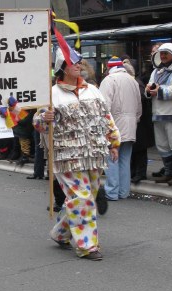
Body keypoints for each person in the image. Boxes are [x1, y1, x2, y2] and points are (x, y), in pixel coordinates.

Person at [34, 47, 120, 261]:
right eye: (73, 61)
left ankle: (60, 232)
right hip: (65, 157)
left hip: (93, 154)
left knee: (85, 197)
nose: (78, 64)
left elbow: (105, 117)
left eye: (79, 61)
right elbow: (36, 123)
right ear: (61, 67)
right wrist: (45, 117)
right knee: (81, 198)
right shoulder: (51, 94)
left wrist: (114, 142)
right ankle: (87, 246)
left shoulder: (92, 90)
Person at [99, 57, 142, 200]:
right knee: (124, 160)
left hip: (114, 125)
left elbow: (103, 107)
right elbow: (138, 107)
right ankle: (124, 192)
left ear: (108, 68)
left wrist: (104, 127)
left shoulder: (109, 80)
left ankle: (111, 192)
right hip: (131, 126)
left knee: (111, 160)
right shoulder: (133, 81)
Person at [146, 43, 172, 185]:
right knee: (162, 145)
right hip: (157, 113)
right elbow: (151, 85)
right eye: (161, 54)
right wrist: (149, 90)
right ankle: (169, 173)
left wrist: (159, 90)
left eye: (165, 54)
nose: (162, 56)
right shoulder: (156, 71)